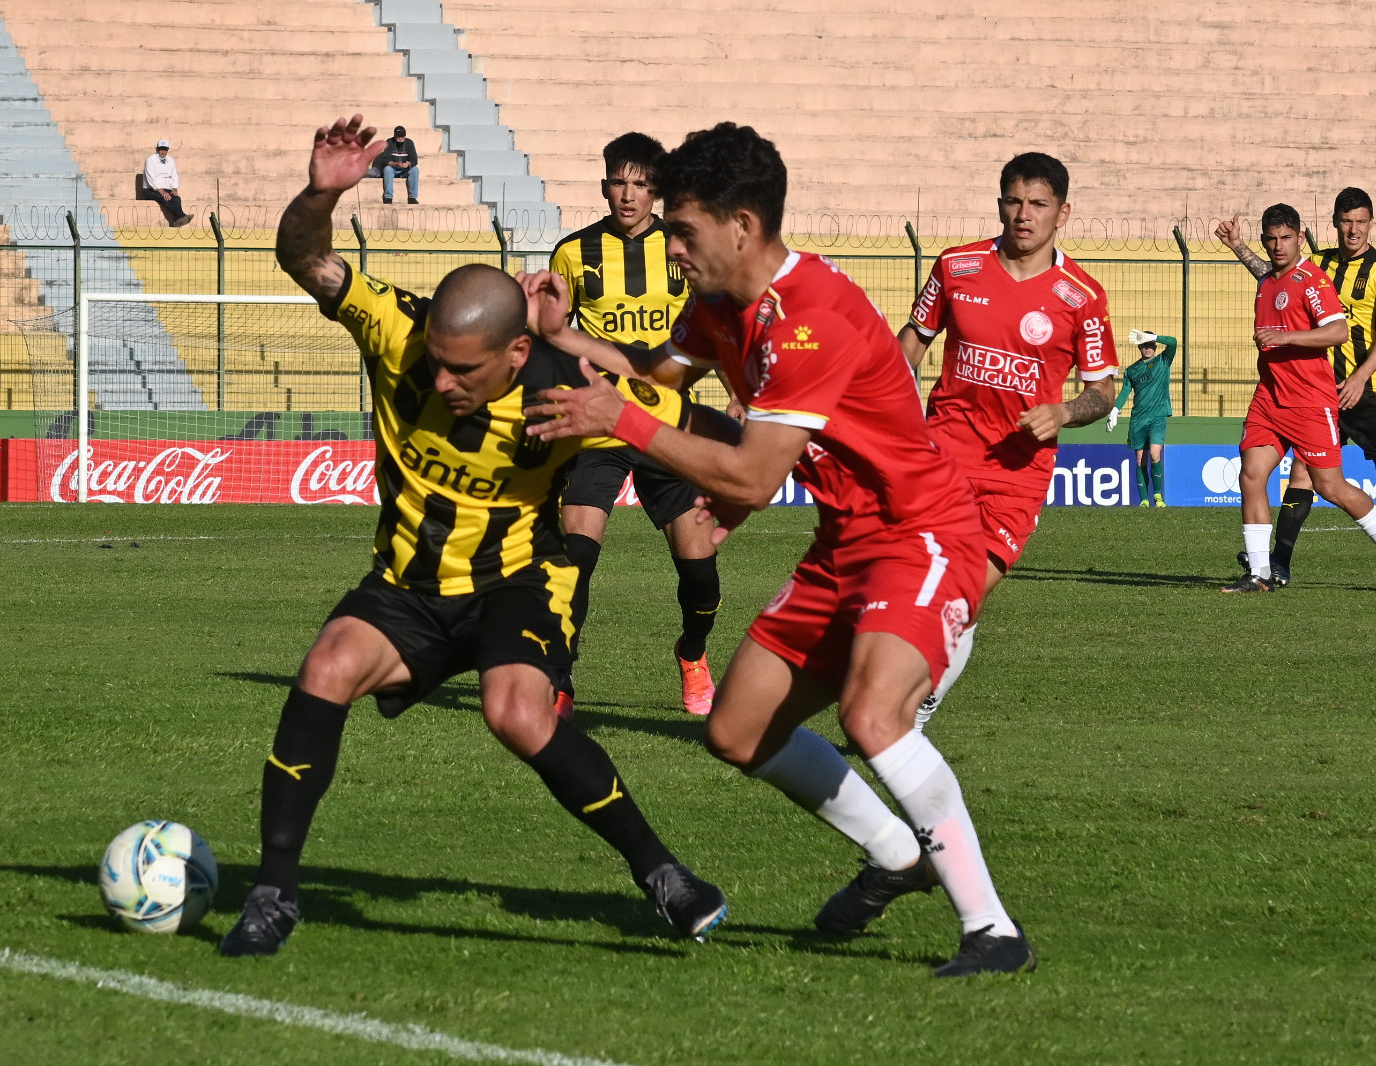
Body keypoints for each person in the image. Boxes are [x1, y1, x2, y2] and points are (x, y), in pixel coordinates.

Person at [522, 123, 1035, 977]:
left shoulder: (811, 317)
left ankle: (991, 929)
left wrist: (624, 422)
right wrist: (565, 336)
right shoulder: (720, 305)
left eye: (683, 231)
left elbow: (754, 477)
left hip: (922, 533)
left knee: (873, 718)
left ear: (743, 227)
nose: (671, 246)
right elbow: (661, 374)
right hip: (844, 543)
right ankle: (896, 855)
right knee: (736, 728)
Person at [218, 114, 728, 958]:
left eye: (466, 369)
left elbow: (700, 421)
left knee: (515, 712)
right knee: (325, 666)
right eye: (437, 362)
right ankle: (273, 893)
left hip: (514, 585)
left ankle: (663, 874)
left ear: (519, 350)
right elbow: (306, 259)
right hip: (408, 587)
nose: (444, 379)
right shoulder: (396, 333)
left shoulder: (565, 388)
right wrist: (321, 195)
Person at [899, 152, 1118, 727]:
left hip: (1016, 475)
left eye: (1038, 204)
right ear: (1000, 204)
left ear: (1062, 213)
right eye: (1014, 201)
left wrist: (1065, 412)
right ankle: (901, 719)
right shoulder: (956, 267)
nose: (1024, 215)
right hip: (941, 455)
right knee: (916, 591)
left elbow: (1103, 392)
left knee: (963, 600)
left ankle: (917, 707)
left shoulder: (1082, 296)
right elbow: (914, 342)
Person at [549, 132, 721, 718]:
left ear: (658, 191)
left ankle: (692, 653)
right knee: (576, 557)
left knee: (700, 575)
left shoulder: (684, 251)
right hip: (598, 427)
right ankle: (560, 680)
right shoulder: (573, 254)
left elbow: (718, 328)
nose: (629, 194)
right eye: (619, 182)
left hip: (667, 430)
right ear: (604, 187)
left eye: (641, 183)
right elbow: (554, 336)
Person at [1217, 188, 1376, 585]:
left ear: (1371, 223)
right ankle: (1270, 568)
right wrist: (1238, 247)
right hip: (1286, 393)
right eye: (1346, 221)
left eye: (1360, 221)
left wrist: (1358, 377)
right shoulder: (1315, 262)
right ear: (1334, 224)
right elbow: (1273, 278)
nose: (1353, 229)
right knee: (1273, 475)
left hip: (1363, 388)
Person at [1108, 331, 1178, 507]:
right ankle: (1144, 500)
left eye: (1151, 345)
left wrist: (1153, 337)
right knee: (1140, 459)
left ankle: (1158, 496)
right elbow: (1125, 391)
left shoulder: (1163, 361)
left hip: (1158, 416)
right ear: (1139, 347)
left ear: (1155, 346)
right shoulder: (1132, 370)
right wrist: (1115, 410)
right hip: (1138, 419)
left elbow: (1174, 342)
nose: (1148, 348)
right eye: (1144, 345)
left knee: (1155, 454)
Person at [142, 139, 192, 227]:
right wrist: (162, 192)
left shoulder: (170, 160)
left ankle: (177, 220)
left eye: (165, 149)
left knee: (177, 199)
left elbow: (174, 175)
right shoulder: (150, 160)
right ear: (157, 149)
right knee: (166, 198)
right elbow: (151, 179)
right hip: (151, 190)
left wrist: (174, 189)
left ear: (167, 150)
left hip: (166, 189)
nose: (163, 152)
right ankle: (182, 216)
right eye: (161, 149)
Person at [376, 126, 419, 204]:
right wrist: (396, 164)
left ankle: (412, 197)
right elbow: (386, 160)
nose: (401, 138)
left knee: (415, 169)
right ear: (395, 135)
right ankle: (388, 197)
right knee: (387, 169)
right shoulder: (389, 142)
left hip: (404, 170)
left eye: (403, 136)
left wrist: (407, 164)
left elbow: (414, 160)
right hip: (393, 169)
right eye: (399, 136)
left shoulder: (409, 143)